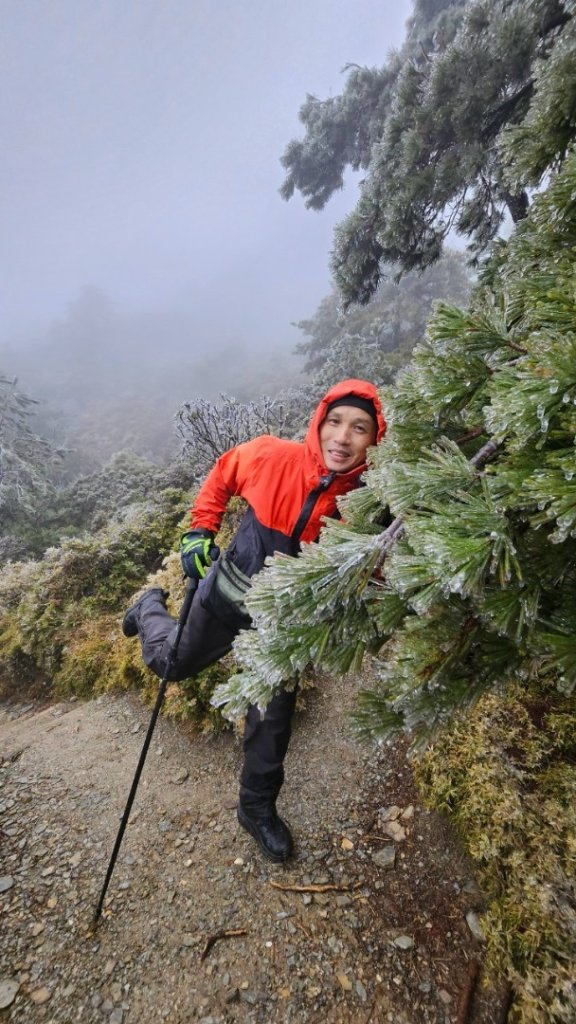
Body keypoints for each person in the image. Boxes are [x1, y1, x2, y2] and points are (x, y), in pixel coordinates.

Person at [122, 379, 386, 862]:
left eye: (359, 428)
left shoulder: (368, 503)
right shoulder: (271, 456)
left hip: (284, 625)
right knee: (172, 663)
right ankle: (148, 608)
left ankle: (256, 808)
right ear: (318, 423)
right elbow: (223, 473)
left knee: (272, 720)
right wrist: (200, 530)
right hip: (227, 595)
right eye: (335, 422)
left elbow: (373, 570)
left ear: (375, 439)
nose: (342, 437)